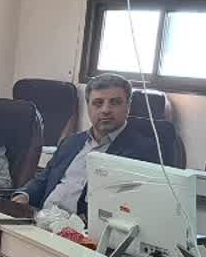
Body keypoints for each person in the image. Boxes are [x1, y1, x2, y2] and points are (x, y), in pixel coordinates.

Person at [12, 72, 177, 215]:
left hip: (83, 233)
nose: (105, 110)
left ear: (128, 106)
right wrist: (24, 195)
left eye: (115, 102)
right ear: (89, 106)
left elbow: (135, 207)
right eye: (98, 103)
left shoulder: (144, 151)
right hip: (41, 221)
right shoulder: (71, 143)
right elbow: (43, 180)